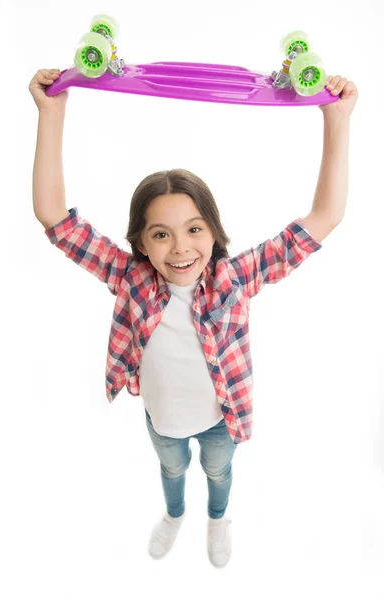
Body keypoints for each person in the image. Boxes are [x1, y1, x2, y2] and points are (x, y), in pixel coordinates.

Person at [29, 68, 358, 568]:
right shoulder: (129, 277)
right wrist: (51, 114)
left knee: (219, 473)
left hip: (221, 422)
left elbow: (324, 218)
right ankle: (175, 514)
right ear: (140, 242)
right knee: (172, 469)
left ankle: (218, 519)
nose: (181, 248)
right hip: (161, 420)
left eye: (194, 229)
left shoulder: (237, 277)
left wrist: (335, 120)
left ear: (213, 230)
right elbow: (55, 217)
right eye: (160, 234)